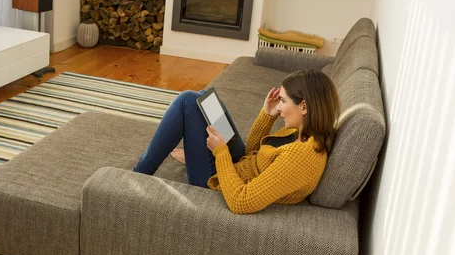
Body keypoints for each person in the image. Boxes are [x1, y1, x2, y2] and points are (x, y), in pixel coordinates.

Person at [132, 69, 340, 214]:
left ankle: (138, 174)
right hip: (238, 168)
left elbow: (241, 201)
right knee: (202, 99)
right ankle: (194, 158)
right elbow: (254, 156)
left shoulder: (301, 157)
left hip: (219, 184)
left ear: (304, 106)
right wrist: (268, 115)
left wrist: (220, 153)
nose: (280, 107)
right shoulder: (303, 133)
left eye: (283, 101)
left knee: (187, 101)